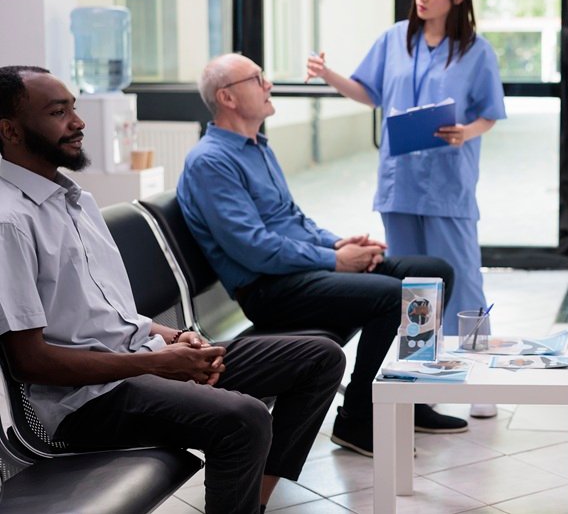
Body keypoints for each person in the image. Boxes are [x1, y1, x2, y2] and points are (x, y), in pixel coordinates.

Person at [0, 65, 346, 514]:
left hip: (140, 361)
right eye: (58, 112)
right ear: (9, 130)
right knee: (244, 419)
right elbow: (30, 361)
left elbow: (109, 314)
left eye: (74, 108)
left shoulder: (76, 199)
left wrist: (176, 340)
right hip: (86, 402)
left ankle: (250, 504)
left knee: (319, 358)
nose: (79, 122)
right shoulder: (10, 222)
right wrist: (158, 364)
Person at [177, 52, 468, 458]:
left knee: (431, 274)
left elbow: (293, 218)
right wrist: (335, 261)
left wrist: (338, 245)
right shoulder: (210, 161)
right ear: (227, 97)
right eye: (257, 79)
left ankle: (410, 399)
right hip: (269, 290)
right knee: (390, 296)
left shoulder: (257, 145)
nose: (268, 85)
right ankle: (358, 420)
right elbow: (253, 247)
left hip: (300, 273)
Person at [307, 0, 507, 419]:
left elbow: (489, 114)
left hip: (447, 182)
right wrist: (329, 74)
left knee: (465, 281)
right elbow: (369, 91)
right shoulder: (394, 39)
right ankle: (423, 379)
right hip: (400, 183)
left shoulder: (476, 51)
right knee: (415, 288)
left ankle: (478, 376)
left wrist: (466, 132)